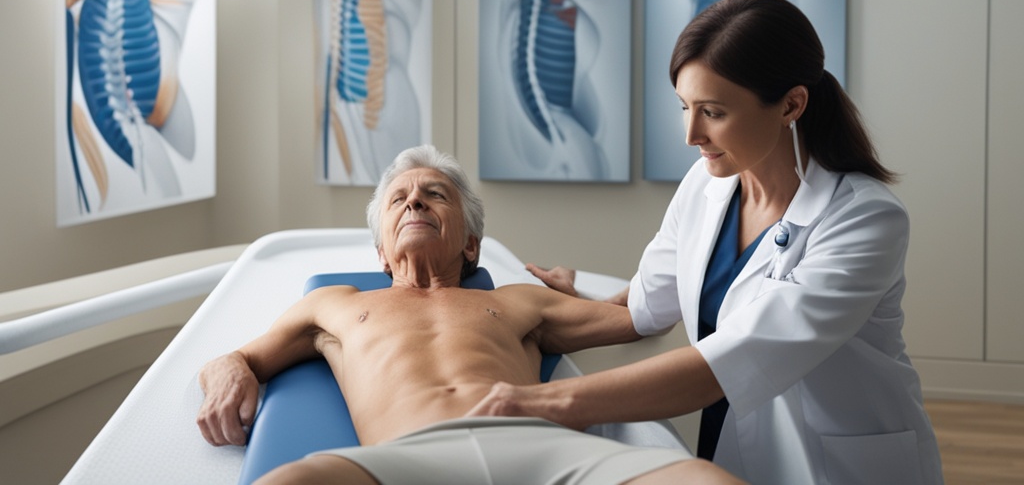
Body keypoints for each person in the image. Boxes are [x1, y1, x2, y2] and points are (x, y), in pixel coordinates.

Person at [468, 0, 944, 484]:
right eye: (684, 107)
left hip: (840, 466)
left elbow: (735, 360)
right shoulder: (704, 186)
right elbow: (644, 308)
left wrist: (543, 402)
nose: (690, 134)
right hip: (733, 453)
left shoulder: (864, 219)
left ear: (791, 105)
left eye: (713, 112)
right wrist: (569, 302)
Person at [196, 146, 742, 484]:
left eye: (435, 195)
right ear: (381, 254)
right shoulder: (336, 304)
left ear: (472, 245)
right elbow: (240, 357)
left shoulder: (515, 300)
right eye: (399, 199)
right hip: (408, 460)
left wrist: (573, 297)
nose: (415, 202)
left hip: (545, 451)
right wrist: (225, 375)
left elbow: (646, 317)